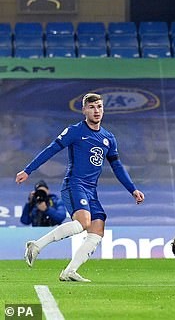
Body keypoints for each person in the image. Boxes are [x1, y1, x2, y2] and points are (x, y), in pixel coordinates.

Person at [15, 93, 145, 282]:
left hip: (91, 190)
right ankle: (36, 245)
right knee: (83, 223)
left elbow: (117, 166)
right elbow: (51, 149)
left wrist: (132, 189)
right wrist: (28, 170)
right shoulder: (75, 131)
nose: (96, 111)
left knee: (97, 229)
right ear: (84, 110)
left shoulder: (108, 138)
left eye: (99, 107)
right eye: (92, 107)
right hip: (74, 184)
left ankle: (69, 271)